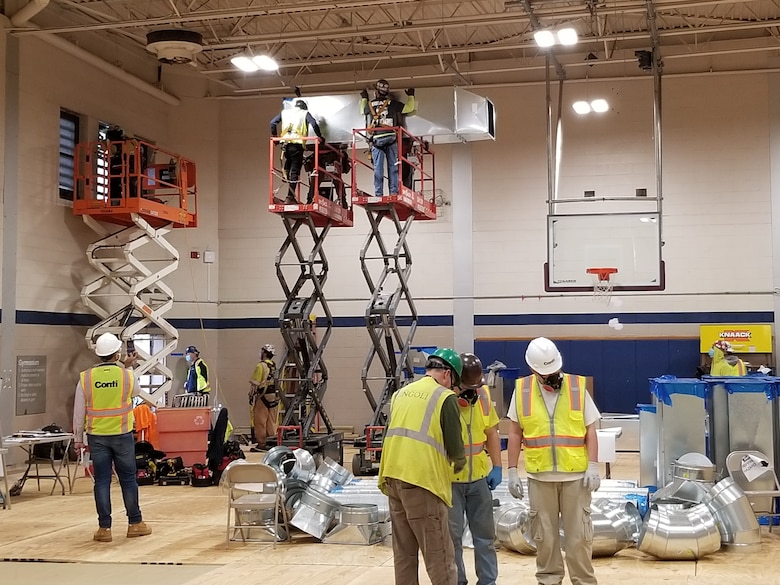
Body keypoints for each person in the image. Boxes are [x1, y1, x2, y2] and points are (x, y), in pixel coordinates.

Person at [506, 337, 601, 585]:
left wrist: (593, 465)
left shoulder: (577, 387)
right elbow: (515, 433)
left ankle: (584, 581)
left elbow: (591, 429)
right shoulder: (522, 389)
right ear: (533, 369)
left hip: (575, 477)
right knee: (544, 538)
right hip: (540, 477)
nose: (551, 376)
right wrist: (512, 471)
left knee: (578, 538)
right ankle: (549, 580)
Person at [378, 348, 466, 585]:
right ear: (447, 374)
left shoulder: (401, 393)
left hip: (393, 477)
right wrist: (459, 465)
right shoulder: (444, 397)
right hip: (422, 482)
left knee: (404, 554)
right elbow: (456, 448)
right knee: (439, 556)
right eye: (454, 383)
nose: (453, 388)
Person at [72, 332, 153, 542]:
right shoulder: (126, 375)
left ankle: (104, 529)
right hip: (122, 435)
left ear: (99, 354)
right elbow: (135, 392)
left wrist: (77, 438)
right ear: (117, 353)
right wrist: (127, 366)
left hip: (97, 437)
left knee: (102, 482)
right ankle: (135, 523)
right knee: (127, 480)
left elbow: (78, 411)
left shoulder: (85, 378)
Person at [448, 353, 502, 585]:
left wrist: (497, 466)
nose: (472, 392)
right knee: (452, 539)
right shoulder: (443, 400)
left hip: (479, 478)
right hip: (449, 479)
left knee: (485, 537)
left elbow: (491, 432)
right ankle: (457, 581)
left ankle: (488, 581)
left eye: (475, 386)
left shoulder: (483, 395)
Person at [360, 79, 416, 197]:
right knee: (393, 167)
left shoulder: (370, 105)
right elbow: (409, 108)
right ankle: (393, 192)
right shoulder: (393, 103)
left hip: (376, 139)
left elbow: (362, 111)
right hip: (390, 138)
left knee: (378, 169)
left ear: (376, 92)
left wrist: (364, 98)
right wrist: (411, 95)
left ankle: (378, 194)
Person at [270, 99, 324, 204]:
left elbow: (272, 123)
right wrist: (320, 137)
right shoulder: (305, 113)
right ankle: (290, 197)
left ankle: (285, 172)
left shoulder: (285, 112)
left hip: (285, 144)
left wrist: (275, 136)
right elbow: (314, 123)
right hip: (297, 144)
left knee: (289, 161)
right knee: (295, 170)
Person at [249, 343, 279, 451]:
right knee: (271, 421)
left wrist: (251, 395)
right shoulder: (274, 366)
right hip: (274, 396)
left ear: (265, 353)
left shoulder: (260, 366)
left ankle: (262, 444)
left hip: (263, 396)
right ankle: (271, 441)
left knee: (260, 421)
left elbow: (255, 383)